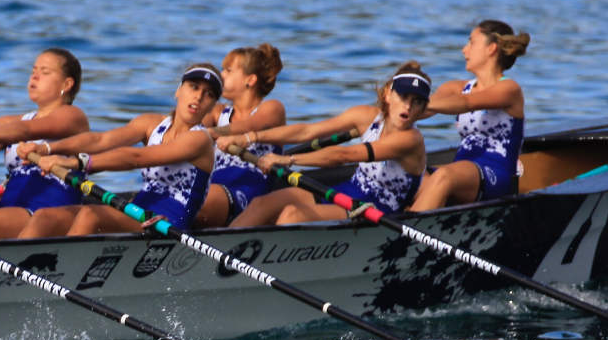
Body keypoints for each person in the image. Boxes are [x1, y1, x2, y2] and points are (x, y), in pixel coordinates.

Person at [13, 63, 221, 238]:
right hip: (138, 211)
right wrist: (46, 148)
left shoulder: (199, 139)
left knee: (90, 215)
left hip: (168, 224)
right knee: (45, 216)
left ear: (212, 106)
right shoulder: (150, 123)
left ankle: (61, 276)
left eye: (208, 94)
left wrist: (74, 163)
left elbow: (136, 157)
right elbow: (101, 139)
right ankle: (14, 278)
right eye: (193, 87)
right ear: (178, 90)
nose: (199, 97)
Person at [228, 63, 431, 227]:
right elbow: (307, 131)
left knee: (293, 215)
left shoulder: (410, 140)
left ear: (422, 110)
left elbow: (346, 155)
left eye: (417, 102)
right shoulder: (366, 116)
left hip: (377, 210)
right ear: (388, 94)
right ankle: (218, 258)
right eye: (403, 97)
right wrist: (250, 138)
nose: (407, 106)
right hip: (349, 191)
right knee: (263, 203)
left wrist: (287, 160)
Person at [409, 20, 530, 211]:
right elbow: (416, 112)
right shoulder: (454, 88)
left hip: (497, 175)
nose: (464, 50)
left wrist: (415, 103)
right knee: (408, 176)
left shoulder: (509, 89)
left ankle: (406, 235)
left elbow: (468, 103)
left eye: (471, 43)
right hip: (463, 174)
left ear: (491, 48)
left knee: (444, 176)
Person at [0, 49, 88, 241]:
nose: (34, 76)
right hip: (11, 211)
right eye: (33, 70)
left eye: (45, 72)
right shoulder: (7, 123)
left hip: (47, 212)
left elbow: (30, 130)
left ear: (67, 84)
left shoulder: (73, 117)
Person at [195, 43, 286, 227]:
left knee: (197, 198)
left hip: (249, 190)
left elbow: (250, 125)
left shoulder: (272, 108)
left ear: (250, 80)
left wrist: (211, 133)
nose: (221, 75)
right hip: (213, 184)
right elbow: (193, 128)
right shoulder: (216, 112)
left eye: (228, 70)